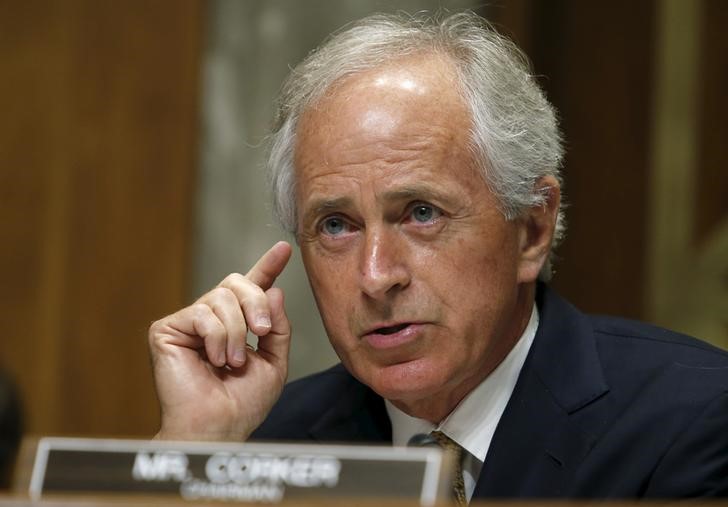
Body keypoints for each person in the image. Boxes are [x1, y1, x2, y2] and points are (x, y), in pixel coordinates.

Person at [148, 11, 728, 500]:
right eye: (336, 225)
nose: (376, 277)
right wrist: (192, 446)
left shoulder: (692, 421)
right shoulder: (265, 444)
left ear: (531, 229)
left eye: (422, 213)